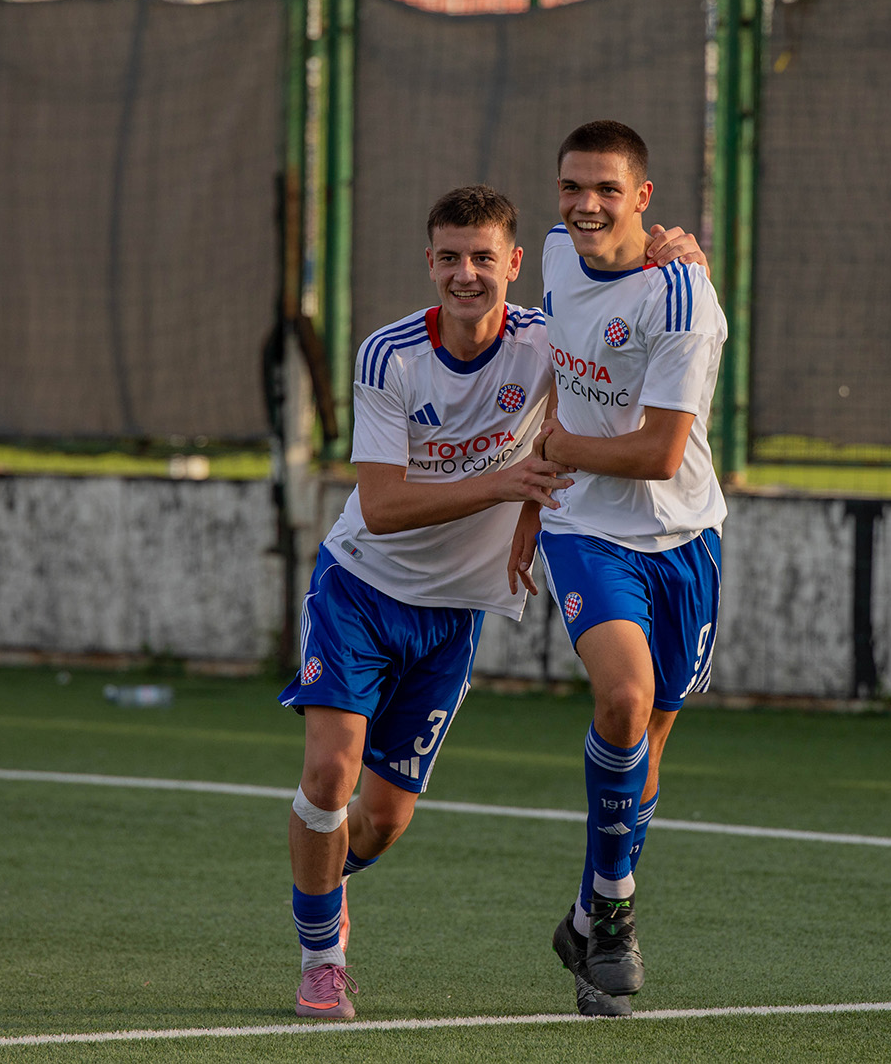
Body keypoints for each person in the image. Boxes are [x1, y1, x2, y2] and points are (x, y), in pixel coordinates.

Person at [279, 183, 704, 1020]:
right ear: (427, 262)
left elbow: (625, 335)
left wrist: (680, 257)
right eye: (449, 257)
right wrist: (507, 485)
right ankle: (321, 957)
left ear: (515, 264)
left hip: (454, 617)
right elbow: (381, 506)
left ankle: (316, 876)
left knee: (383, 823)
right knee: (329, 774)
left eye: (483, 258)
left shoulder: (549, 340)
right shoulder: (388, 356)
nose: (465, 275)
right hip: (362, 587)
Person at [510, 120, 728, 1014]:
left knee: (646, 753)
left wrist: (558, 444)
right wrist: (532, 496)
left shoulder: (681, 298)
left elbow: (660, 452)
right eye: (571, 188)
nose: (584, 205)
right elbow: (564, 368)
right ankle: (616, 918)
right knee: (623, 700)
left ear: (643, 197)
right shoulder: (558, 253)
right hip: (583, 527)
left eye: (606, 190)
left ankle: (586, 910)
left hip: (683, 536)